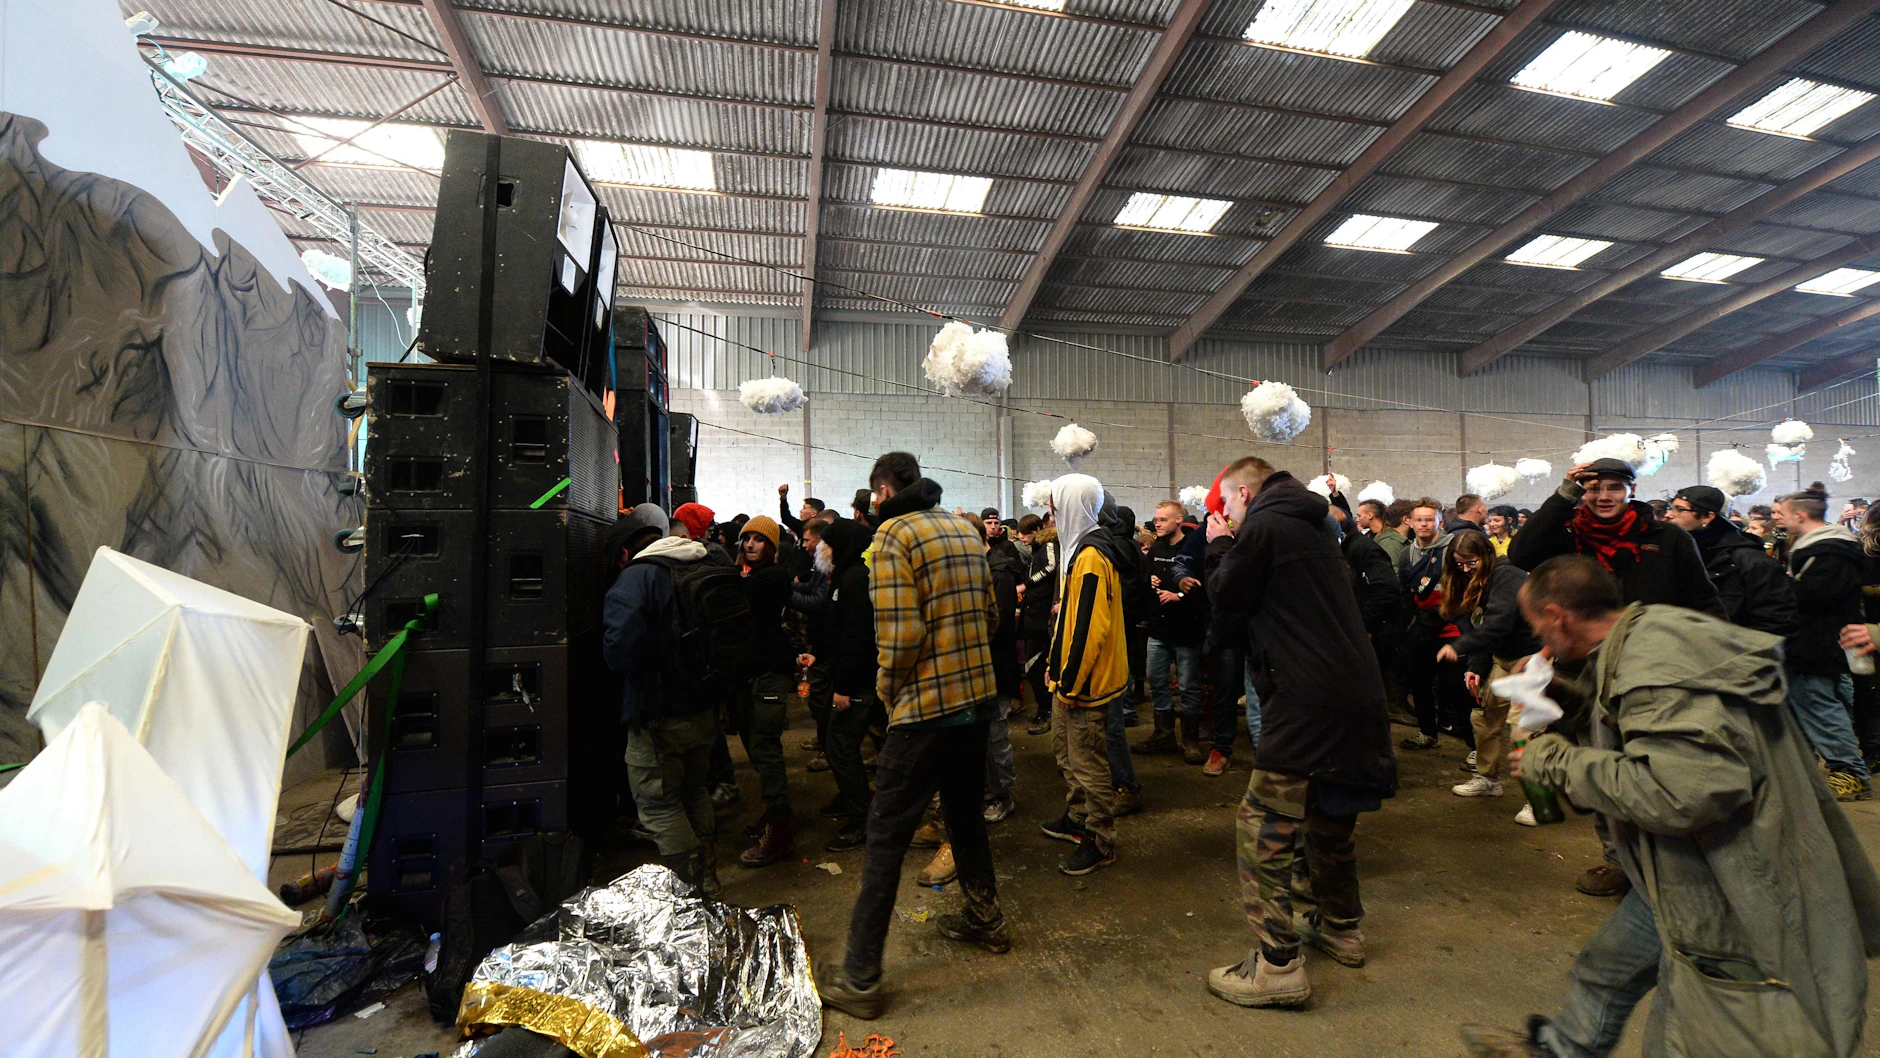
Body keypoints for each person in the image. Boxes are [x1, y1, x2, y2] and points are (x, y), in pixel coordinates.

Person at [1460, 555, 1880, 1058]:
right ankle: (1563, 1048)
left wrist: (1554, 761)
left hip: (1733, 882)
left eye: (1538, 628)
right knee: (1607, 966)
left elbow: (1683, 795)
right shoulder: (1649, 633)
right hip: (1682, 869)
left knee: (1701, 1028)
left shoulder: (1654, 666)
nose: (1542, 644)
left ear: (1558, 616)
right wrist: (1561, 693)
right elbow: (1633, 721)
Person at [817, 452, 1006, 1020]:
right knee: (966, 818)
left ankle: (860, 976)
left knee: (884, 840)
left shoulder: (892, 536)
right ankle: (985, 918)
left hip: (924, 711)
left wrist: (888, 691)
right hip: (975, 705)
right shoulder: (964, 529)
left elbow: (900, 638)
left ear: (881, 491)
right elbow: (992, 617)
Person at [1203, 458, 1396, 1008]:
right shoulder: (1319, 521)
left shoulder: (1263, 525)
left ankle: (1278, 964)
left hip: (1306, 699)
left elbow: (1227, 595)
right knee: (1330, 817)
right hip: (1353, 692)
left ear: (1242, 492)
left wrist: (1219, 544)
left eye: (1227, 507)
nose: (1227, 516)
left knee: (1264, 824)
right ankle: (1340, 926)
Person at [1506, 457, 1725, 898]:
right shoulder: (1570, 536)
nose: (1602, 496)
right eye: (1593, 489)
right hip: (1584, 675)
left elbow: (1703, 600)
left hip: (1657, 670)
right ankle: (1619, 861)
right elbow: (1521, 553)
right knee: (1603, 767)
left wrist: (1711, 659)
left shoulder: (1667, 538)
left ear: (1631, 490)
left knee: (1662, 767)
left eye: (1613, 487)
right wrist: (1565, 491)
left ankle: (1679, 862)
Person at [601, 503, 730, 898]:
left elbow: (618, 653)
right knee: (694, 790)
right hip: (705, 706)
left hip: (658, 714)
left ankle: (694, 890)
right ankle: (708, 873)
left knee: (659, 804)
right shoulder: (698, 564)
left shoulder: (635, 578)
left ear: (625, 552)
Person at [1040, 474, 1132, 876]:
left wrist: (1071, 683)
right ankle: (1078, 819)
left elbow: (1089, 629)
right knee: (1066, 753)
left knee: (1089, 763)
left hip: (1086, 685)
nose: (1051, 515)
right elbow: (1070, 621)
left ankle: (1100, 839)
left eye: (1056, 507)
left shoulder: (1092, 556)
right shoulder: (1078, 550)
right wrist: (1053, 669)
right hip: (1071, 679)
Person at [1772, 482, 1871, 801]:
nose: (1778, 519)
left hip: (1817, 644)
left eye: (1782, 514)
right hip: (1813, 643)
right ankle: (1805, 769)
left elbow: (1815, 596)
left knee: (1822, 708)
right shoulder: (1816, 547)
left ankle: (1851, 772)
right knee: (1811, 707)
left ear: (1800, 515)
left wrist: (1780, 586)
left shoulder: (1828, 552)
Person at [1436, 530, 1537, 803]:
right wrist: (1477, 666)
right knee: (1483, 718)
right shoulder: (1467, 580)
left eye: (1472, 563)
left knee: (1523, 729)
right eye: (1460, 564)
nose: (1466, 569)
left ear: (1486, 555)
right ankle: (1487, 779)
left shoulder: (1508, 576)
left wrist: (1459, 648)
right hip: (1501, 658)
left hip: (1531, 658)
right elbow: (1478, 626)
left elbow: (1498, 625)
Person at [733, 515, 798, 867]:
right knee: (755, 745)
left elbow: (741, 600)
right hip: (752, 670)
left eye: (759, 540)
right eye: (747, 539)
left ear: (771, 546)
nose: (750, 545)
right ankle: (774, 811)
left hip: (771, 671)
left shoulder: (770, 576)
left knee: (766, 746)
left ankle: (781, 830)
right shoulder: (751, 576)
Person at [1665, 486, 1797, 637]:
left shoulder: (1753, 562)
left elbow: (1777, 623)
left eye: (1679, 509)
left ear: (1707, 517)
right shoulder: (1677, 553)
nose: (1669, 515)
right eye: (1671, 508)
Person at [820, 517, 878, 853]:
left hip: (855, 681)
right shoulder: (844, 575)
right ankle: (848, 798)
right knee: (831, 740)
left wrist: (844, 686)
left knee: (842, 746)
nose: (818, 548)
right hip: (842, 675)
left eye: (826, 543)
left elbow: (857, 637)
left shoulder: (856, 579)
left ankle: (862, 819)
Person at [1139, 500, 1210, 764]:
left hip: (1187, 630)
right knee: (1156, 682)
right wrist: (1151, 581)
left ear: (1179, 520)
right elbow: (1147, 580)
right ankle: (1164, 735)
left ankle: (1190, 740)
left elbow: (1206, 587)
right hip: (1158, 629)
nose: (1157, 523)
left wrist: (1180, 594)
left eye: (1163, 520)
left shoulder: (1194, 548)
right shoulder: (1155, 548)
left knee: (1189, 687)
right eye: (1156, 519)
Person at [1399, 497, 1462, 752]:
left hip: (1453, 628)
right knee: (1419, 681)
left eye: (1429, 519)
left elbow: (1463, 590)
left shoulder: (1454, 550)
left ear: (1440, 521)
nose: (1424, 524)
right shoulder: (1407, 554)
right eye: (1419, 520)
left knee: (1455, 687)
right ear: (1410, 522)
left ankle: (1471, 744)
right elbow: (1405, 594)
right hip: (1423, 627)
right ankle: (1427, 733)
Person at [981, 515, 1026, 823]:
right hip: (979, 667)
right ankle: (988, 789)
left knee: (995, 732)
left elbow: (997, 624)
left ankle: (1002, 795)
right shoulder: (979, 569)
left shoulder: (1000, 572)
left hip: (995, 665)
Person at [1018, 513, 1059, 736]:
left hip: (1043, 619)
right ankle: (1044, 709)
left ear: (1035, 530)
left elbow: (1051, 567)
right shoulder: (1039, 549)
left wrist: (1027, 584)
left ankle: (1048, 712)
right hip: (1035, 616)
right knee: (1033, 667)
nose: (1022, 538)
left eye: (1025, 534)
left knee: (1038, 668)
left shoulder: (1049, 546)